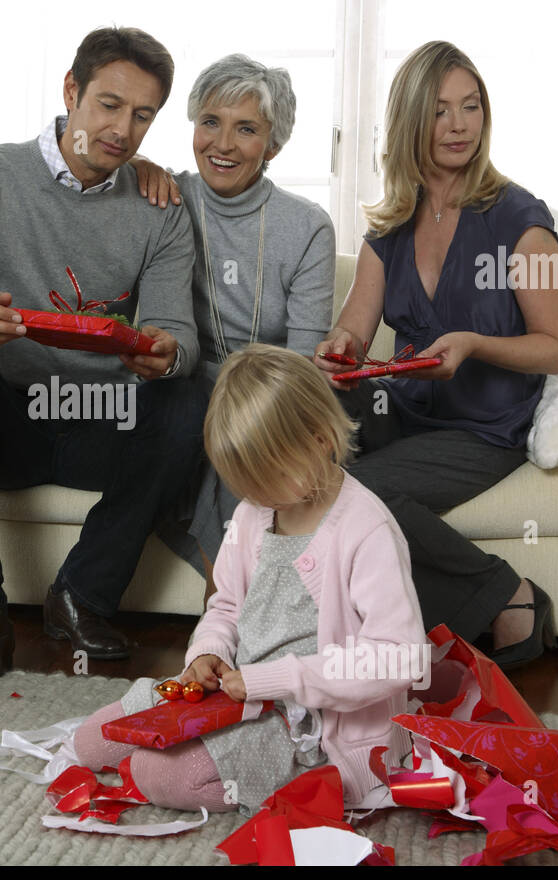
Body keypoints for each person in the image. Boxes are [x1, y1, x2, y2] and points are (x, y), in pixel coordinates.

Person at [0, 26, 204, 679]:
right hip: (7, 421)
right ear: (71, 91)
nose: (123, 129)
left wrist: (165, 352)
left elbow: (175, 330)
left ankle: (81, 596)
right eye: (108, 104)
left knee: (194, 390)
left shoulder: (160, 207)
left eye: (143, 115)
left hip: (104, 419)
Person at [72, 345, 428, 814]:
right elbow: (225, 607)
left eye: (266, 477)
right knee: (91, 742)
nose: (255, 496)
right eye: (244, 483)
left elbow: (397, 659)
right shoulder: (256, 511)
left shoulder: (365, 529)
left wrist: (273, 679)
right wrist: (208, 653)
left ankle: (294, 777)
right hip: (238, 693)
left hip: (311, 724)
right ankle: (200, 746)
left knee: (158, 773)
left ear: (319, 440)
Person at [314, 40, 558, 669]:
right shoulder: (391, 224)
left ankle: (506, 592)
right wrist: (339, 351)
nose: (459, 126)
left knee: (353, 492)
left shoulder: (519, 219)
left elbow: (556, 348)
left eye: (471, 107)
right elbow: (353, 330)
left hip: (483, 427)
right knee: (300, 460)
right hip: (404, 405)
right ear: (409, 120)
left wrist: (475, 344)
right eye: (439, 111)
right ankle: (312, 621)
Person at [133, 54, 335, 602]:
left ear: (273, 145)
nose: (222, 143)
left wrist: (254, 398)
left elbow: (304, 361)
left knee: (244, 422)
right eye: (210, 122)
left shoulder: (307, 226)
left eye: (246, 129)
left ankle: (222, 607)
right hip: (185, 385)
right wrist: (138, 164)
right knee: (192, 411)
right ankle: (239, 605)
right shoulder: (160, 197)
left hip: (274, 390)